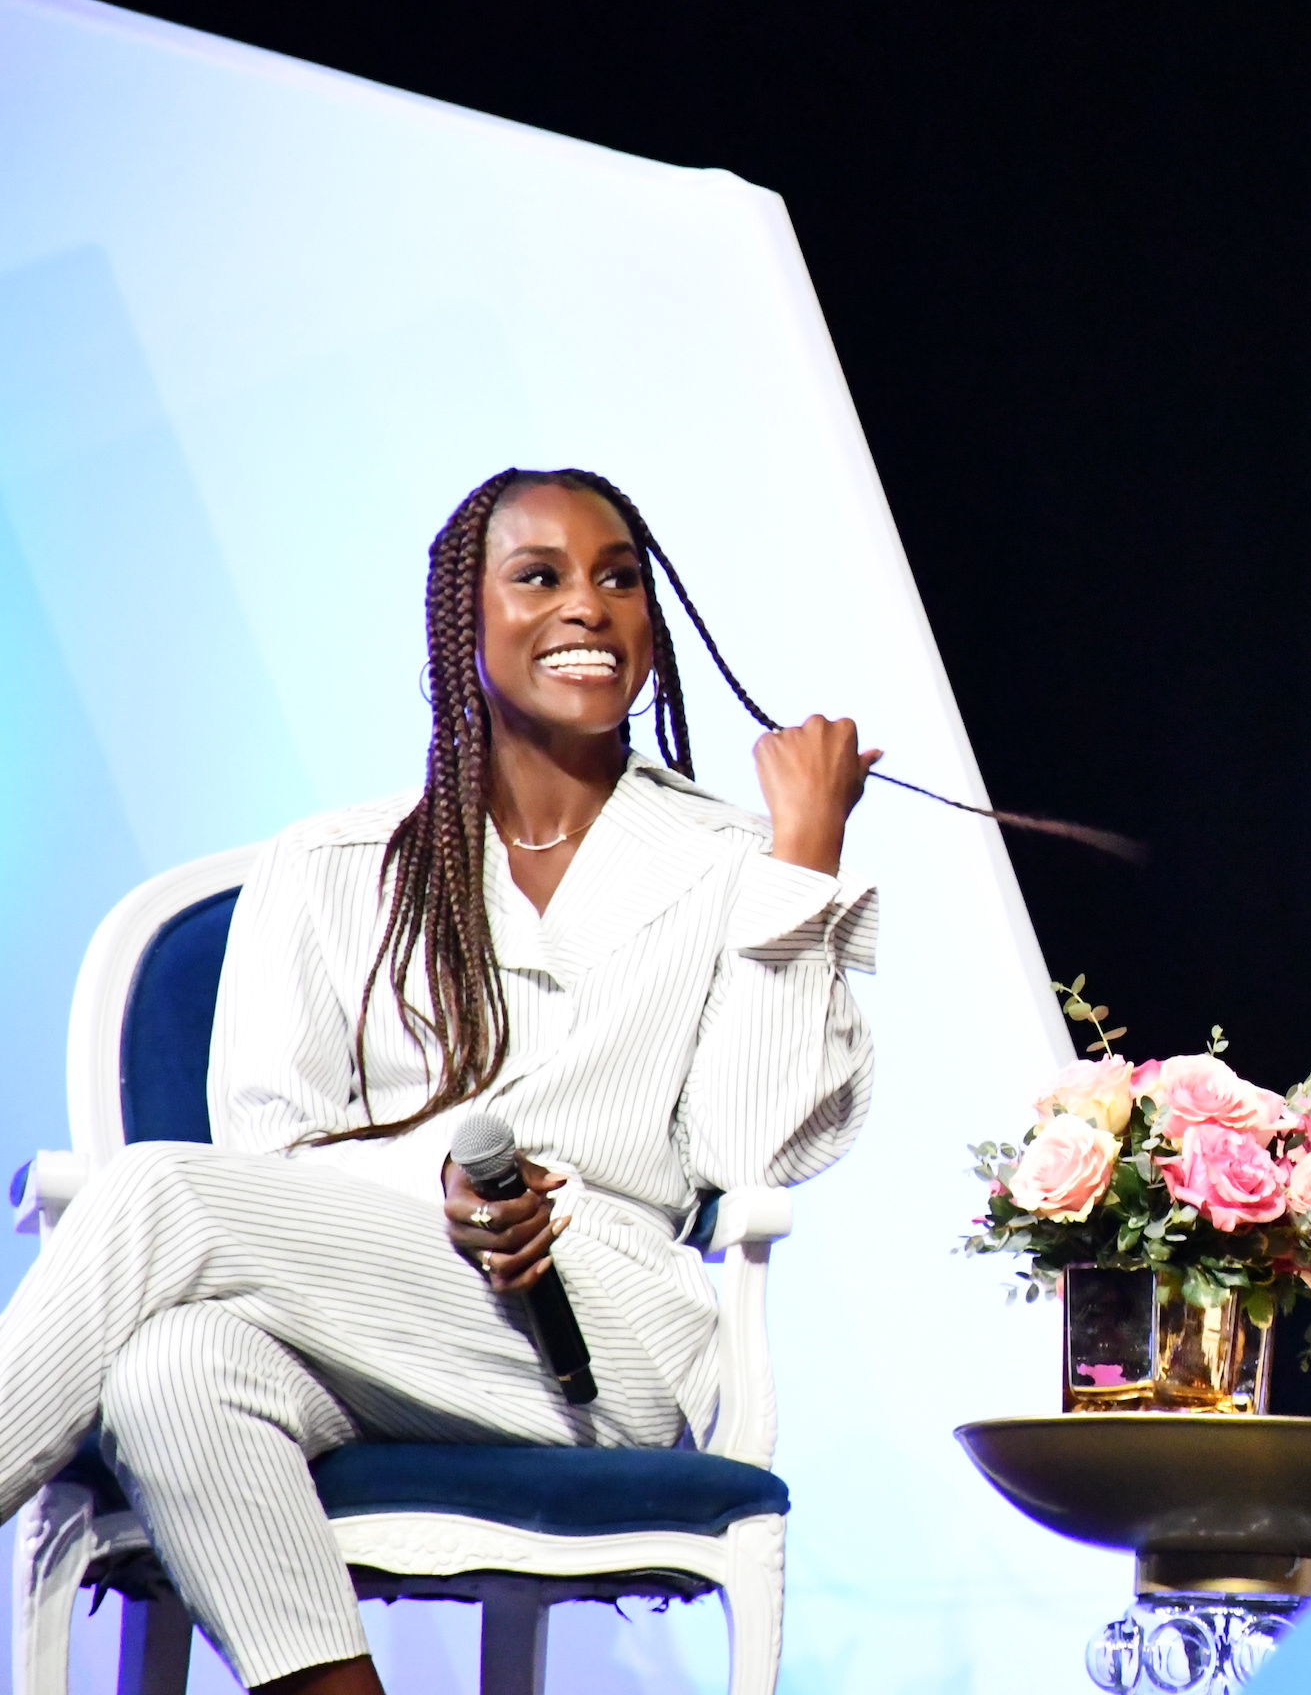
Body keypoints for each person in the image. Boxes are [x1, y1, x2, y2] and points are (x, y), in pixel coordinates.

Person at [0, 469, 880, 1694]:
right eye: (540, 576)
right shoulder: (333, 862)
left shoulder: (736, 859)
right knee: (173, 1373)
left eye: (619, 578)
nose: (589, 605)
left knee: (156, 1194)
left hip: (605, 1338)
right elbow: (267, 1155)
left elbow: (753, 1145)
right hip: (365, 1312)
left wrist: (806, 855)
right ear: (463, 618)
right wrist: (443, 1196)